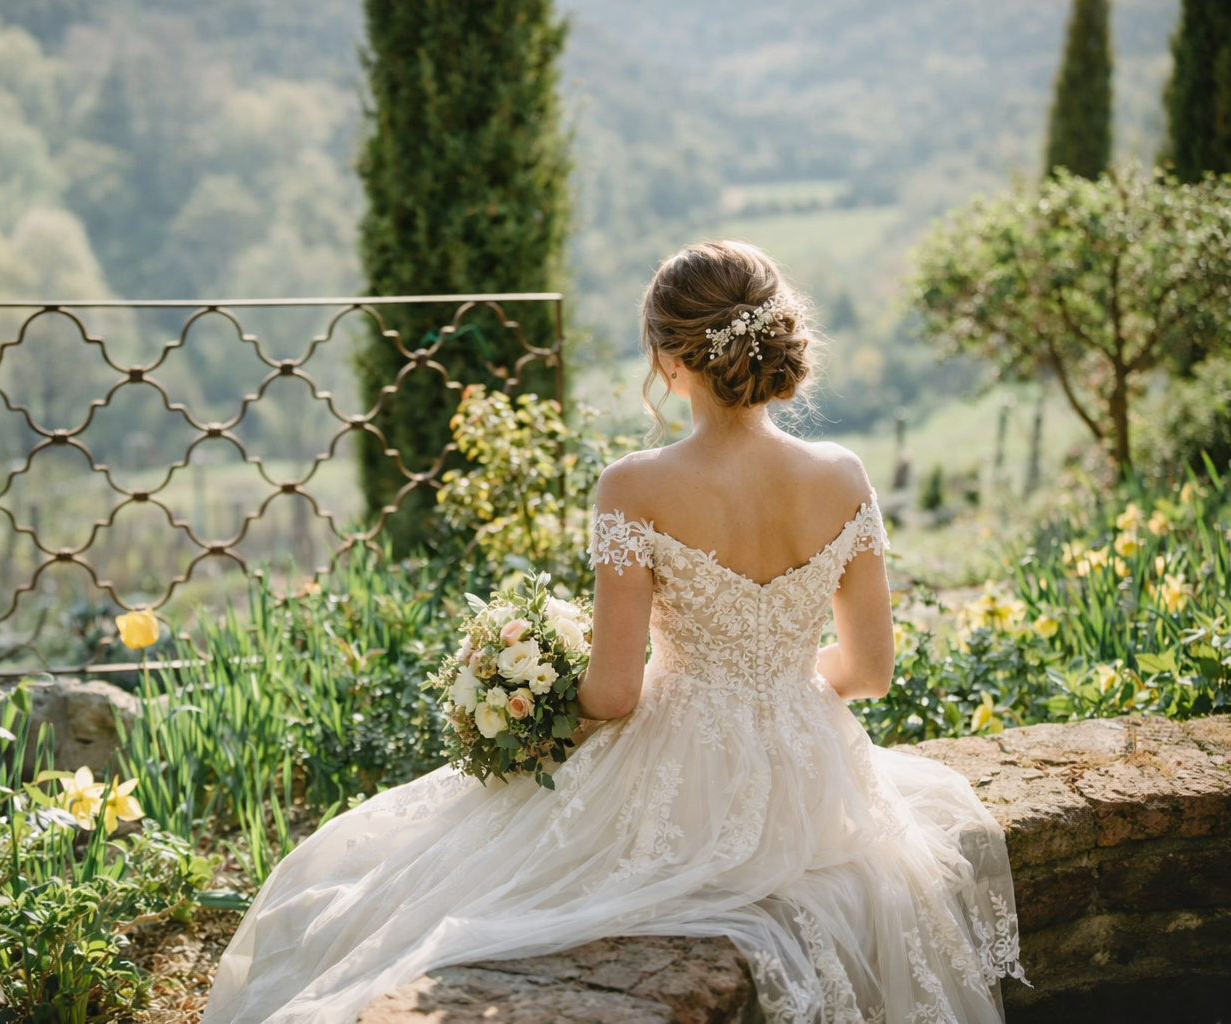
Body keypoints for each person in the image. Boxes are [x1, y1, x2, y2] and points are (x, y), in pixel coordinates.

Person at [202, 240, 1026, 1023]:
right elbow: (871, 671)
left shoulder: (634, 486)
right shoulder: (844, 475)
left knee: (426, 875)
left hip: (683, 775)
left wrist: (535, 716)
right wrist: (781, 691)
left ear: (670, 361)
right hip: (815, 781)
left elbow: (617, 692)